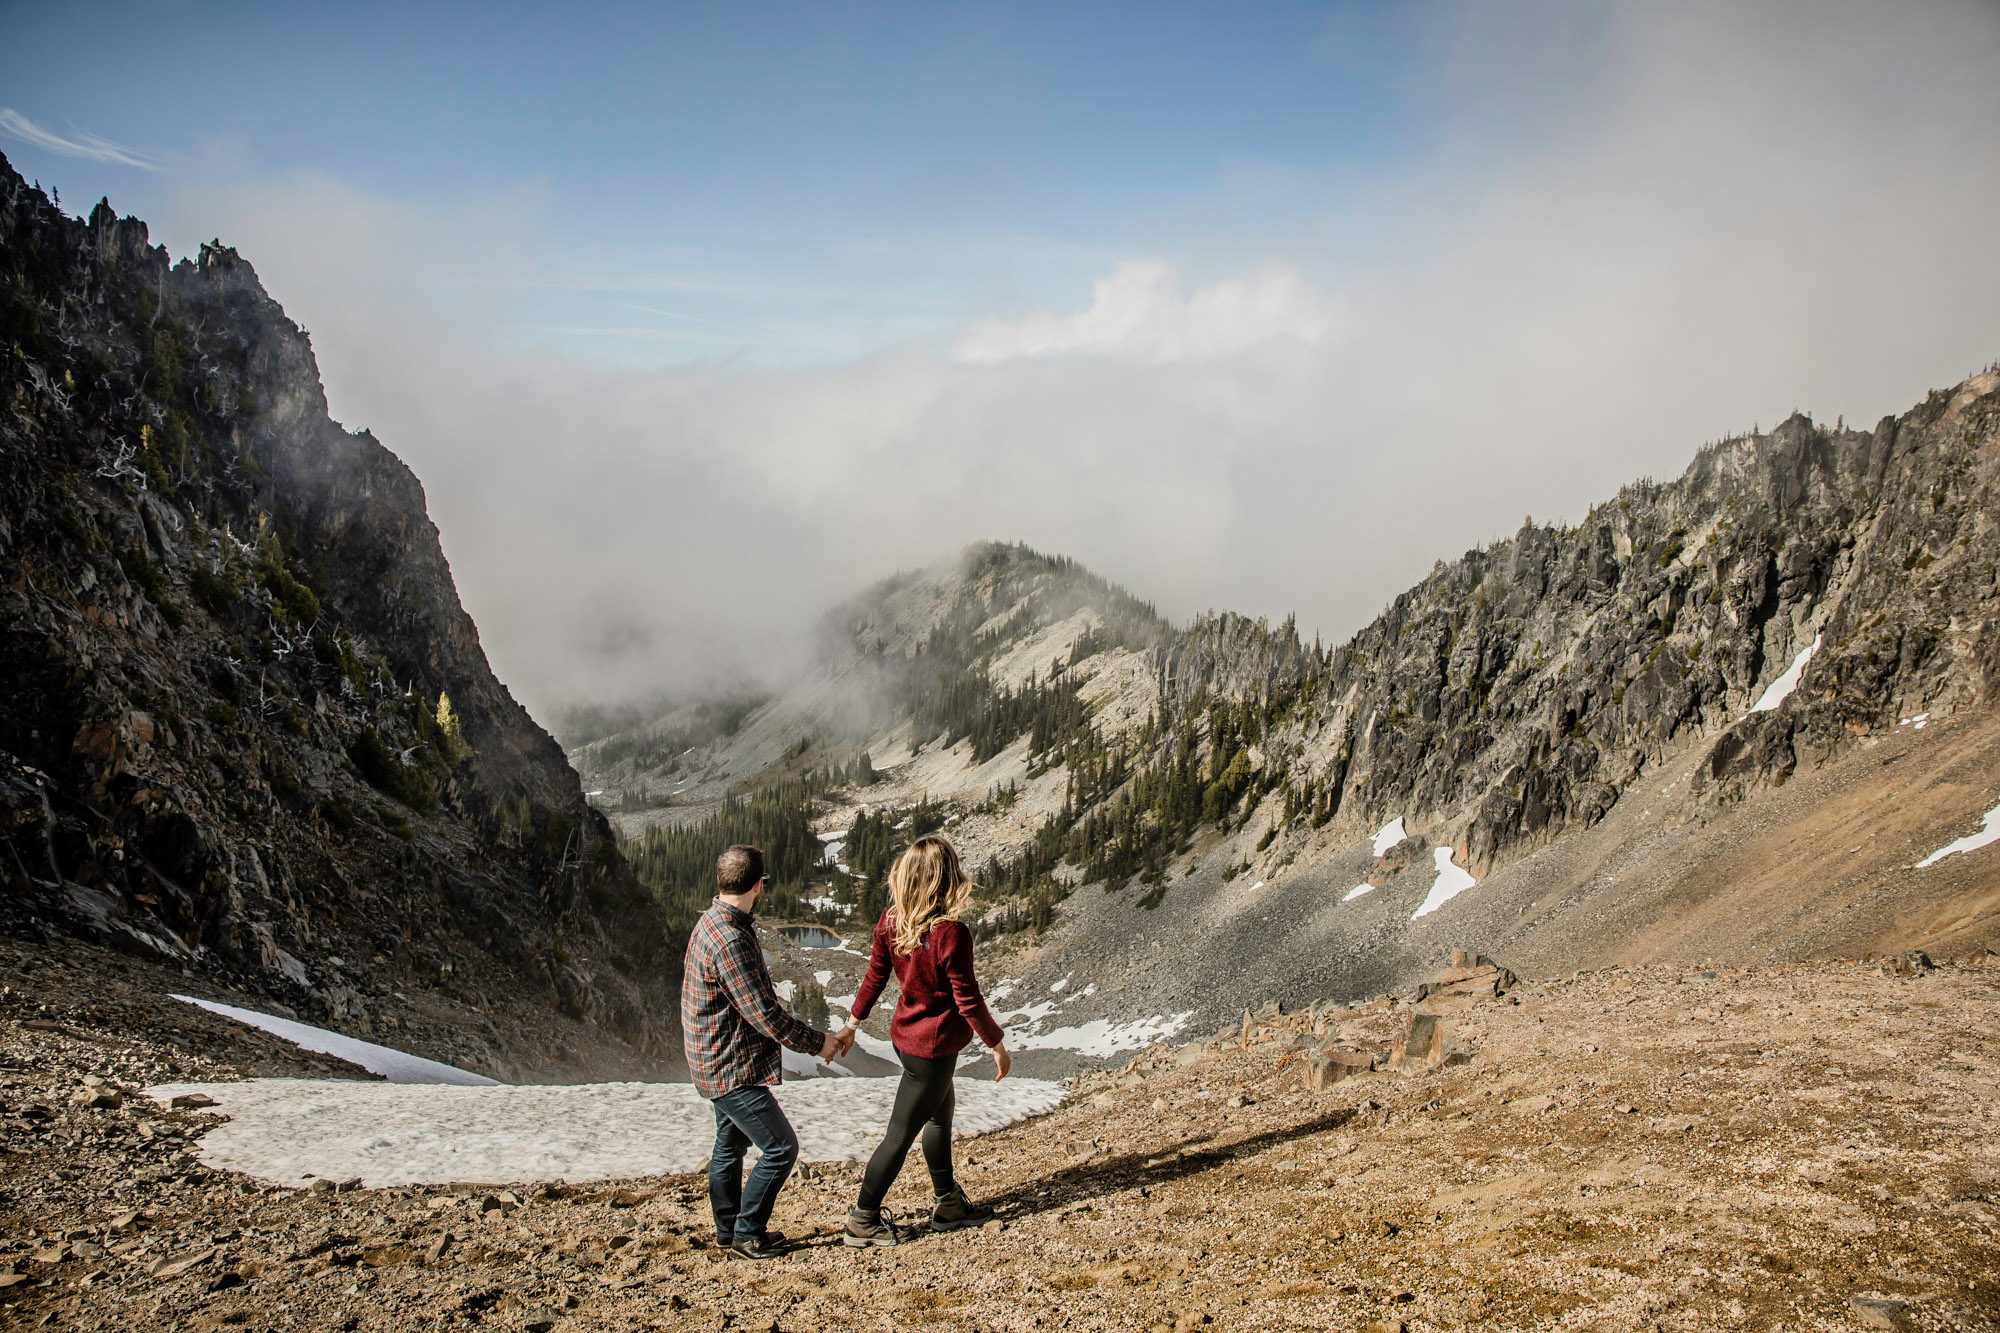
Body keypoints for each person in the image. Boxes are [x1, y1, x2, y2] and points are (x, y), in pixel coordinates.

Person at [835, 834, 1010, 1246]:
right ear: (945, 880)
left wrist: (852, 1023)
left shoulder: (891, 919)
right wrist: (996, 1045)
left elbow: (875, 975)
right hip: (933, 1049)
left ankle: (948, 1203)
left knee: (937, 1116)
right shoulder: (951, 933)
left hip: (908, 1038)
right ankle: (863, 1218)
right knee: (900, 1134)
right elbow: (968, 999)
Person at [681, 843, 842, 1260]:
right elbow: (766, 1017)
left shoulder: (713, 922)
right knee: (781, 1147)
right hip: (730, 1066)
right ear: (758, 885)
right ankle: (747, 1232)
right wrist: (820, 1041)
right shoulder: (731, 939)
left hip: (713, 1057)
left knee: (729, 1144)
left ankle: (726, 1227)